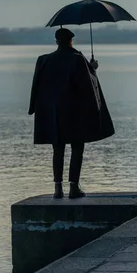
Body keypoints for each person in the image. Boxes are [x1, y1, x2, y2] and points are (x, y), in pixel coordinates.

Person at [28, 28, 114, 199]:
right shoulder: (77, 59)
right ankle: (74, 188)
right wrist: (93, 69)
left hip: (52, 114)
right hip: (74, 114)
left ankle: (58, 189)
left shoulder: (44, 60)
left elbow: (35, 88)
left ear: (56, 41)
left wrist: (34, 109)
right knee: (77, 148)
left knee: (57, 150)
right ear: (71, 41)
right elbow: (87, 86)